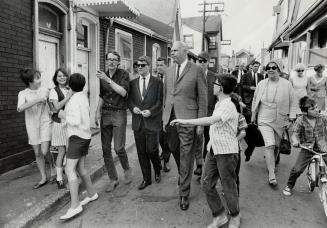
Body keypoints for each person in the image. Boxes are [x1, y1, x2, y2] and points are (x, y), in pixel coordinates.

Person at [171, 75, 241, 228]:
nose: (212, 86)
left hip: (227, 152)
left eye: (215, 84)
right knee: (206, 183)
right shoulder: (220, 103)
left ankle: (235, 215)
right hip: (214, 149)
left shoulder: (228, 105)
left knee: (228, 185)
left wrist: (185, 121)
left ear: (221, 88)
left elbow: (210, 121)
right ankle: (220, 215)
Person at [163, 41, 207, 211]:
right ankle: (184, 173)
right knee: (174, 148)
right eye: (171, 50)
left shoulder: (197, 70)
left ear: (185, 51)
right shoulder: (168, 71)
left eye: (175, 50)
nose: (172, 53)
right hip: (170, 119)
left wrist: (201, 123)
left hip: (189, 119)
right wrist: (163, 119)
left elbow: (203, 98)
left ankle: (184, 194)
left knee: (186, 154)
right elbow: (166, 95)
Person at [251, 59, 297, 187]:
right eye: (268, 67)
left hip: (280, 119)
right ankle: (272, 174)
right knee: (270, 144)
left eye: (274, 67)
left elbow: (293, 102)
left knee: (276, 145)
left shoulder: (287, 84)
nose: (270, 69)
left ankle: (273, 163)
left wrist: (291, 118)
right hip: (264, 118)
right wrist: (253, 114)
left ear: (279, 70)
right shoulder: (261, 83)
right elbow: (255, 99)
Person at [58, 73, 98, 220]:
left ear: (70, 85)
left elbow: (74, 120)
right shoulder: (82, 97)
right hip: (85, 136)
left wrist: (62, 115)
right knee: (80, 168)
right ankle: (91, 194)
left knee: (69, 169)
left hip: (77, 137)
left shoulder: (74, 100)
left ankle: (75, 206)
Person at [95, 50, 132, 193]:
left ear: (118, 62)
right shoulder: (102, 76)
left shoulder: (124, 74)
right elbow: (102, 95)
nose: (111, 62)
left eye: (114, 59)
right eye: (109, 59)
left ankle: (127, 169)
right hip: (106, 113)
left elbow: (123, 92)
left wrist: (108, 79)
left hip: (119, 113)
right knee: (105, 149)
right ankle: (113, 179)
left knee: (118, 147)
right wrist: (96, 112)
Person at [128, 56, 163, 190]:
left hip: (152, 122)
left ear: (148, 66)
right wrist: (133, 108)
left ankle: (157, 168)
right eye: (138, 65)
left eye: (142, 65)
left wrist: (151, 111)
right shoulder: (133, 83)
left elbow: (160, 102)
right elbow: (129, 101)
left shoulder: (158, 82)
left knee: (152, 150)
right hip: (138, 123)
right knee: (141, 152)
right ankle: (146, 179)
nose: (139, 67)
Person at [17, 68, 55, 189]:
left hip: (45, 122)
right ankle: (43, 177)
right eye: (37, 78)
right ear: (30, 81)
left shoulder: (45, 90)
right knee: (37, 152)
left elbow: (50, 102)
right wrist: (37, 99)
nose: (40, 80)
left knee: (44, 150)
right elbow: (20, 108)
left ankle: (53, 167)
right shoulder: (23, 94)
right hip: (32, 125)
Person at [283, 96, 327, 196]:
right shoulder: (300, 120)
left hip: (323, 147)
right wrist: (295, 141)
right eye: (313, 109)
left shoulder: (323, 118)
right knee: (297, 169)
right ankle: (289, 185)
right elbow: (295, 134)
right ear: (305, 112)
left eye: (316, 107)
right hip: (308, 148)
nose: (316, 110)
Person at [48, 68, 72, 189]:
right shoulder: (53, 91)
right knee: (62, 151)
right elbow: (56, 107)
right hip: (59, 124)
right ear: (56, 78)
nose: (62, 78)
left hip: (70, 123)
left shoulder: (69, 89)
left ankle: (69, 172)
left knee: (70, 151)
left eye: (64, 76)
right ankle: (59, 178)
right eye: (59, 76)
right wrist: (68, 97)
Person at [195, 51, 218, 175]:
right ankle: (199, 164)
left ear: (208, 62)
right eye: (200, 61)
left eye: (204, 61)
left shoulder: (214, 76)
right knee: (198, 140)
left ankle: (206, 163)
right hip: (197, 114)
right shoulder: (193, 75)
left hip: (210, 113)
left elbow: (218, 95)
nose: (202, 63)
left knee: (209, 140)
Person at [240, 61, 264, 161]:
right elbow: (241, 86)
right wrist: (250, 87)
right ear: (251, 66)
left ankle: (250, 149)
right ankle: (249, 149)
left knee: (255, 127)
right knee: (250, 126)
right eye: (255, 66)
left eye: (258, 67)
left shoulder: (261, 76)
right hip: (248, 101)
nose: (256, 68)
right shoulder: (246, 75)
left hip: (259, 102)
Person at [230, 93, 247, 196]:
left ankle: (235, 192)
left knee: (235, 173)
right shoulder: (220, 115)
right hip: (225, 149)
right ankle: (228, 189)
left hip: (235, 149)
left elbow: (243, 133)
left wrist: (234, 140)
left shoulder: (239, 116)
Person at [156, 57, 171, 172]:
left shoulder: (170, 78)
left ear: (166, 66)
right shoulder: (155, 78)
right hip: (157, 113)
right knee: (160, 137)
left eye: (161, 65)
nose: (159, 67)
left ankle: (166, 161)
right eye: (158, 65)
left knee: (166, 138)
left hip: (167, 113)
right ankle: (163, 153)